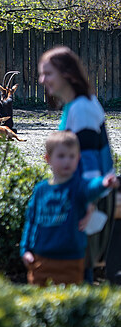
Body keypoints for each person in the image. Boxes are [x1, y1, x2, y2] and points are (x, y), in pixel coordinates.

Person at [38, 46, 117, 283]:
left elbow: (91, 164)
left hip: (90, 199)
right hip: (86, 196)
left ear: (67, 73)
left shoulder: (82, 108)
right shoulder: (77, 105)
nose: (43, 80)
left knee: (79, 273)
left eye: (48, 73)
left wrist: (87, 204)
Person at [20, 131, 118, 286]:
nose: (67, 161)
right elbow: (31, 221)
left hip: (71, 258)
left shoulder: (78, 186)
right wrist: (25, 249)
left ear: (78, 159)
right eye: (61, 156)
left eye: (72, 156)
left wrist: (103, 183)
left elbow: (91, 188)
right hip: (41, 258)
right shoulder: (41, 190)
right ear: (48, 159)